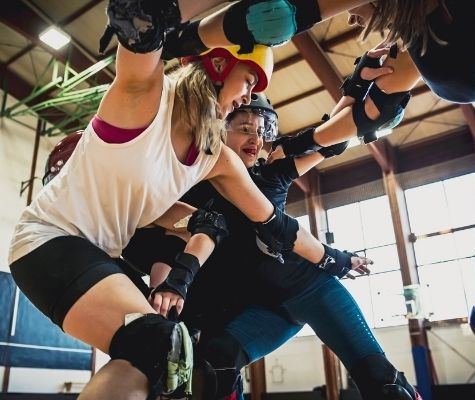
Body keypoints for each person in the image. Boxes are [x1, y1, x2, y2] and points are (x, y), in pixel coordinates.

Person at [8, 21, 332, 398]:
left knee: (167, 360)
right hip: (49, 239)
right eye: (248, 82)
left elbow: (274, 223)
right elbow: (139, 26)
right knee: (159, 347)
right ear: (218, 66)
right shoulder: (147, 99)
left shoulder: (212, 157)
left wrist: (332, 259)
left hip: (95, 254)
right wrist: (202, 26)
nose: (247, 98)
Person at [123, 90, 421, 400]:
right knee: (213, 368)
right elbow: (169, 249)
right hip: (263, 308)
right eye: (245, 129)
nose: (256, 139)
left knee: (384, 386)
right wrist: (164, 299)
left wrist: (355, 91)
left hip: (311, 289)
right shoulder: (190, 190)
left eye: (262, 131)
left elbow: (330, 137)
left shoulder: (271, 174)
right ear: (219, 129)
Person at [152, 0, 475, 103]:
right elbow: (363, 119)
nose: (349, 18)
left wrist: (175, 39)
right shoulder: (411, 45)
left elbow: (276, 17)